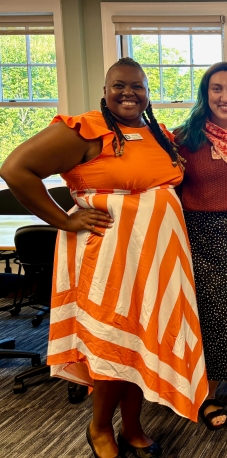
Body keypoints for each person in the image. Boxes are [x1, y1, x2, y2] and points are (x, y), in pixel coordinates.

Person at [0, 57, 207, 458]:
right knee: (111, 344)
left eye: (138, 86)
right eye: (119, 85)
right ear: (105, 90)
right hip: (110, 256)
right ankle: (99, 430)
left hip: (156, 259)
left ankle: (132, 426)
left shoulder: (156, 132)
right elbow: (16, 169)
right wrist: (64, 220)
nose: (128, 92)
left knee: (140, 343)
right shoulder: (85, 130)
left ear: (148, 93)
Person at [174, 62, 227, 434]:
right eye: (217, 89)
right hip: (199, 233)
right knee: (210, 312)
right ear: (205, 94)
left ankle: (212, 389)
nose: (225, 97)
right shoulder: (183, 137)